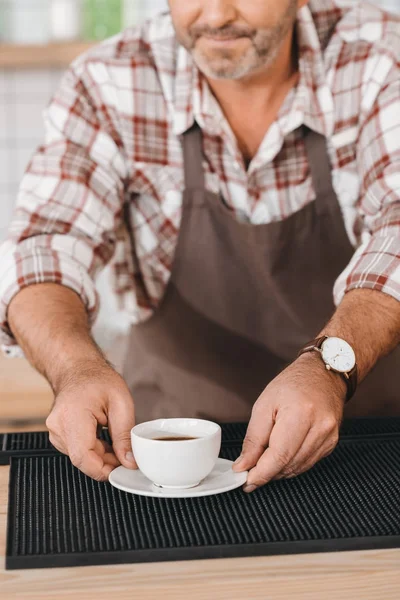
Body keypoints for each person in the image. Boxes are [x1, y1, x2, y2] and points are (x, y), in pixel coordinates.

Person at [1, 0, 399, 492]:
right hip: (167, 465)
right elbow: (47, 243)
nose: (214, 14)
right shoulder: (110, 80)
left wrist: (329, 365)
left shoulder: (381, 56)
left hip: (370, 446)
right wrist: (74, 367)